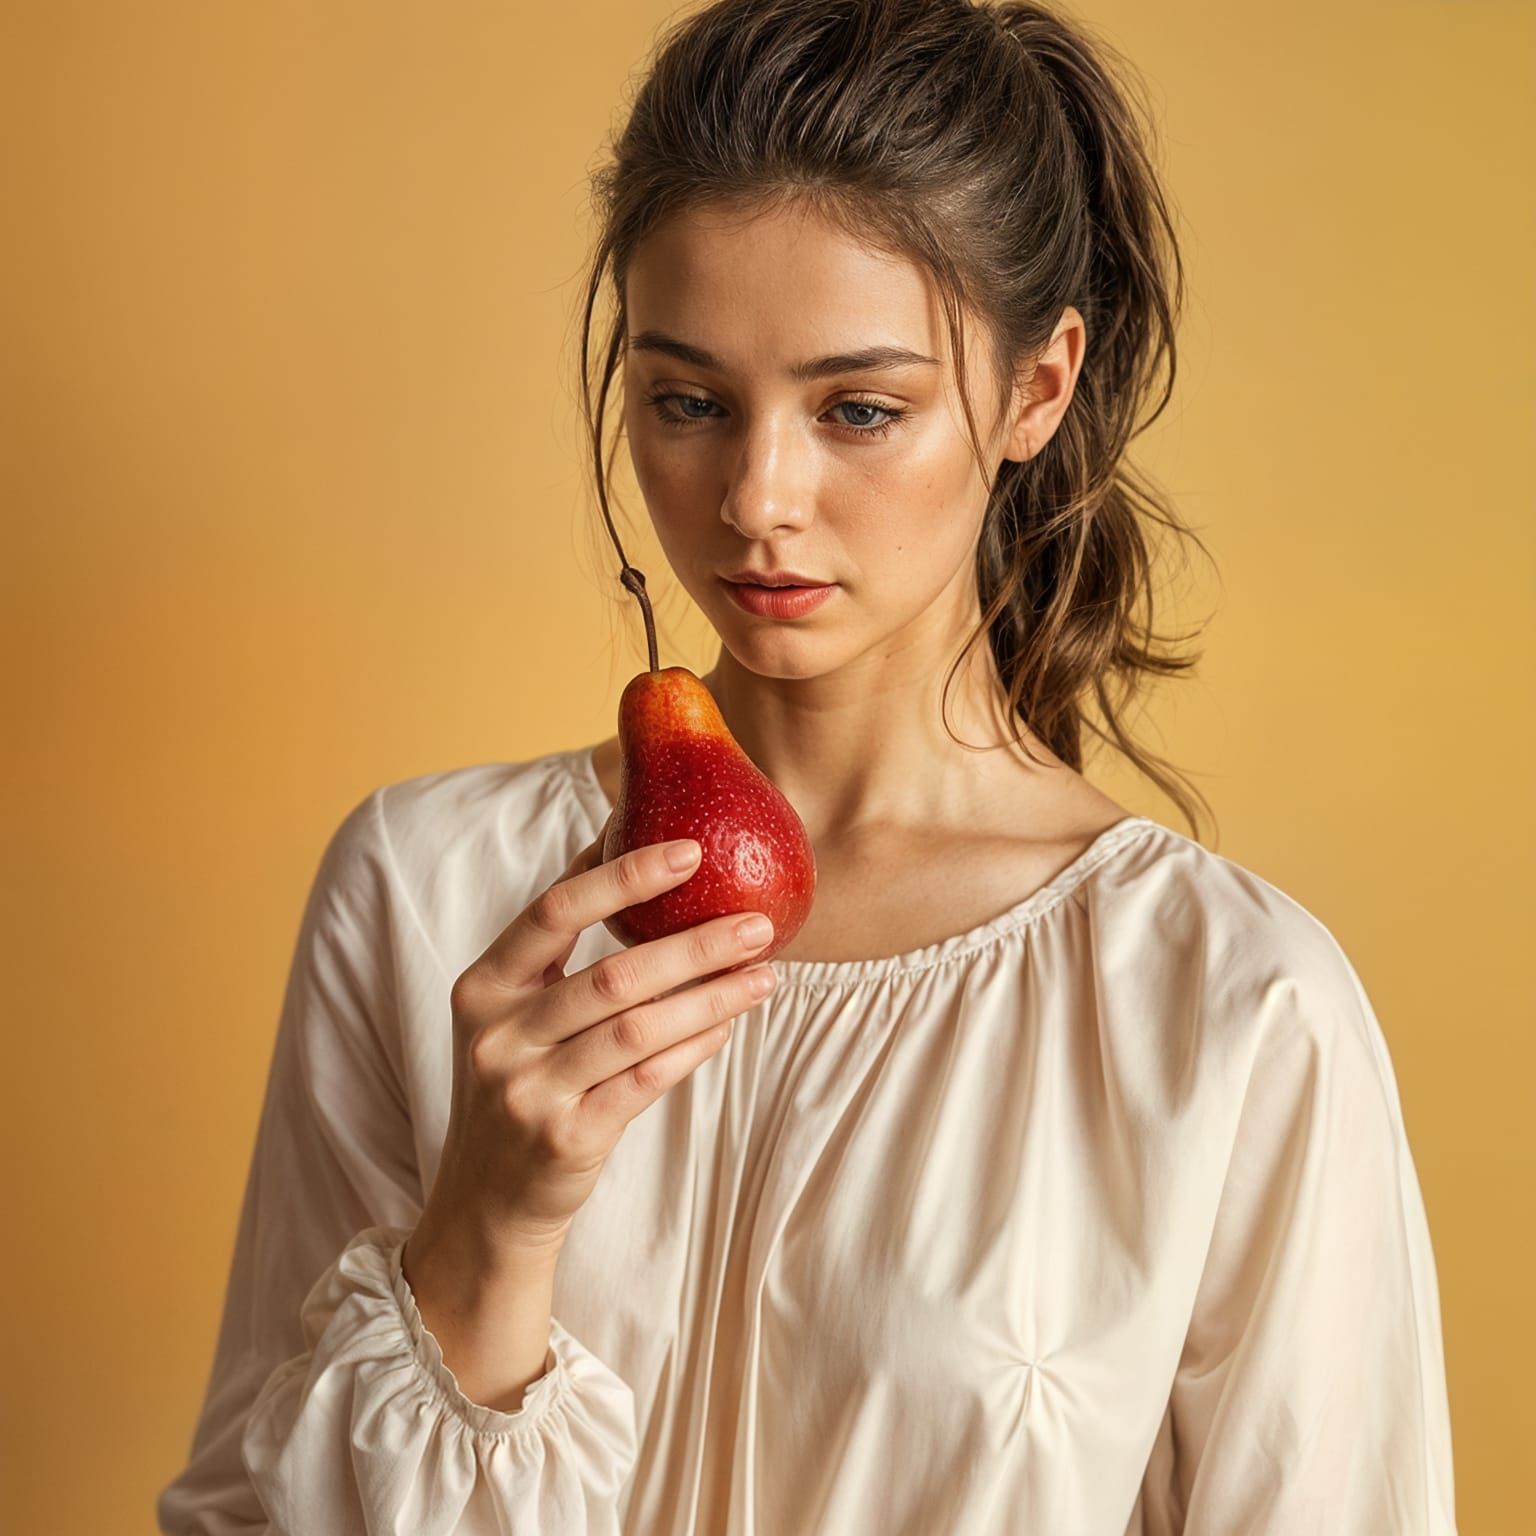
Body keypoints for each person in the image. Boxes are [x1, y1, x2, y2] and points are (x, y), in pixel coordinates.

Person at [156, 1, 1458, 1531]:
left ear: (1037, 389)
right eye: (689, 401)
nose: (758, 497)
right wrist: (485, 1237)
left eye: (859, 408)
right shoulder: (426, 892)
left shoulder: (1229, 1010)